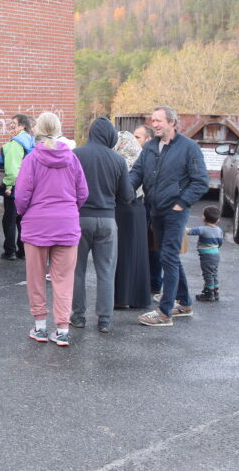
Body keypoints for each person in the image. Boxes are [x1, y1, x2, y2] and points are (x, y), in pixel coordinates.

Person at [14, 112, 88, 347]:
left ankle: (40, 327)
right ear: (58, 129)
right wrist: (69, 210)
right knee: (63, 280)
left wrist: (24, 212)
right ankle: (63, 329)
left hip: (37, 224)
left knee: (35, 278)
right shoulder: (73, 158)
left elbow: (22, 195)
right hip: (66, 224)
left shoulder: (32, 159)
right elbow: (82, 192)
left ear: (37, 129)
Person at [131, 105, 208, 327]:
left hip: (174, 212)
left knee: (168, 256)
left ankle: (165, 313)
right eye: (152, 120)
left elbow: (200, 181)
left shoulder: (188, 148)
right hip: (155, 210)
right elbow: (137, 172)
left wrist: (181, 204)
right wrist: (126, 188)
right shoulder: (150, 147)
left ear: (172, 123)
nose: (154, 124)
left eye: (158, 121)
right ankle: (184, 303)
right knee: (169, 256)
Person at [70, 117, 134, 333]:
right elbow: (127, 196)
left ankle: (78, 316)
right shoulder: (117, 160)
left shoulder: (76, 155)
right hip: (107, 220)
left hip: (79, 219)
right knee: (106, 271)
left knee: (76, 270)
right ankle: (104, 319)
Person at [112, 131, 151, 310]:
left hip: (124, 208)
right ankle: (137, 297)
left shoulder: (120, 161)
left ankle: (121, 296)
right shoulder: (140, 159)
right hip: (137, 207)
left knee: (123, 254)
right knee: (137, 254)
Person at [0, 113, 35, 260]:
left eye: (14, 123)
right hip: (28, 186)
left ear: (22, 126)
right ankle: (23, 250)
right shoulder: (31, 141)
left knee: (9, 219)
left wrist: (8, 186)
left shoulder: (15, 144)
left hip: (15, 188)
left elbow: (13, 169)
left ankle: (10, 251)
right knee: (22, 220)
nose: (11, 125)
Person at [133, 123, 160, 295]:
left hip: (157, 207)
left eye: (138, 137)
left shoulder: (156, 154)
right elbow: (136, 174)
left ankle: (155, 284)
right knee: (144, 246)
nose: (134, 140)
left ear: (148, 139)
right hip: (144, 204)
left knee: (155, 248)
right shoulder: (141, 155)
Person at [187, 205, 224, 302]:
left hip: (207, 256)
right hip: (216, 254)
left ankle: (209, 293)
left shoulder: (202, 229)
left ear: (203, 217)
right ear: (218, 220)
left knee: (207, 274)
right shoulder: (219, 230)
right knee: (214, 273)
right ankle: (215, 292)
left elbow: (189, 231)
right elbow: (220, 242)